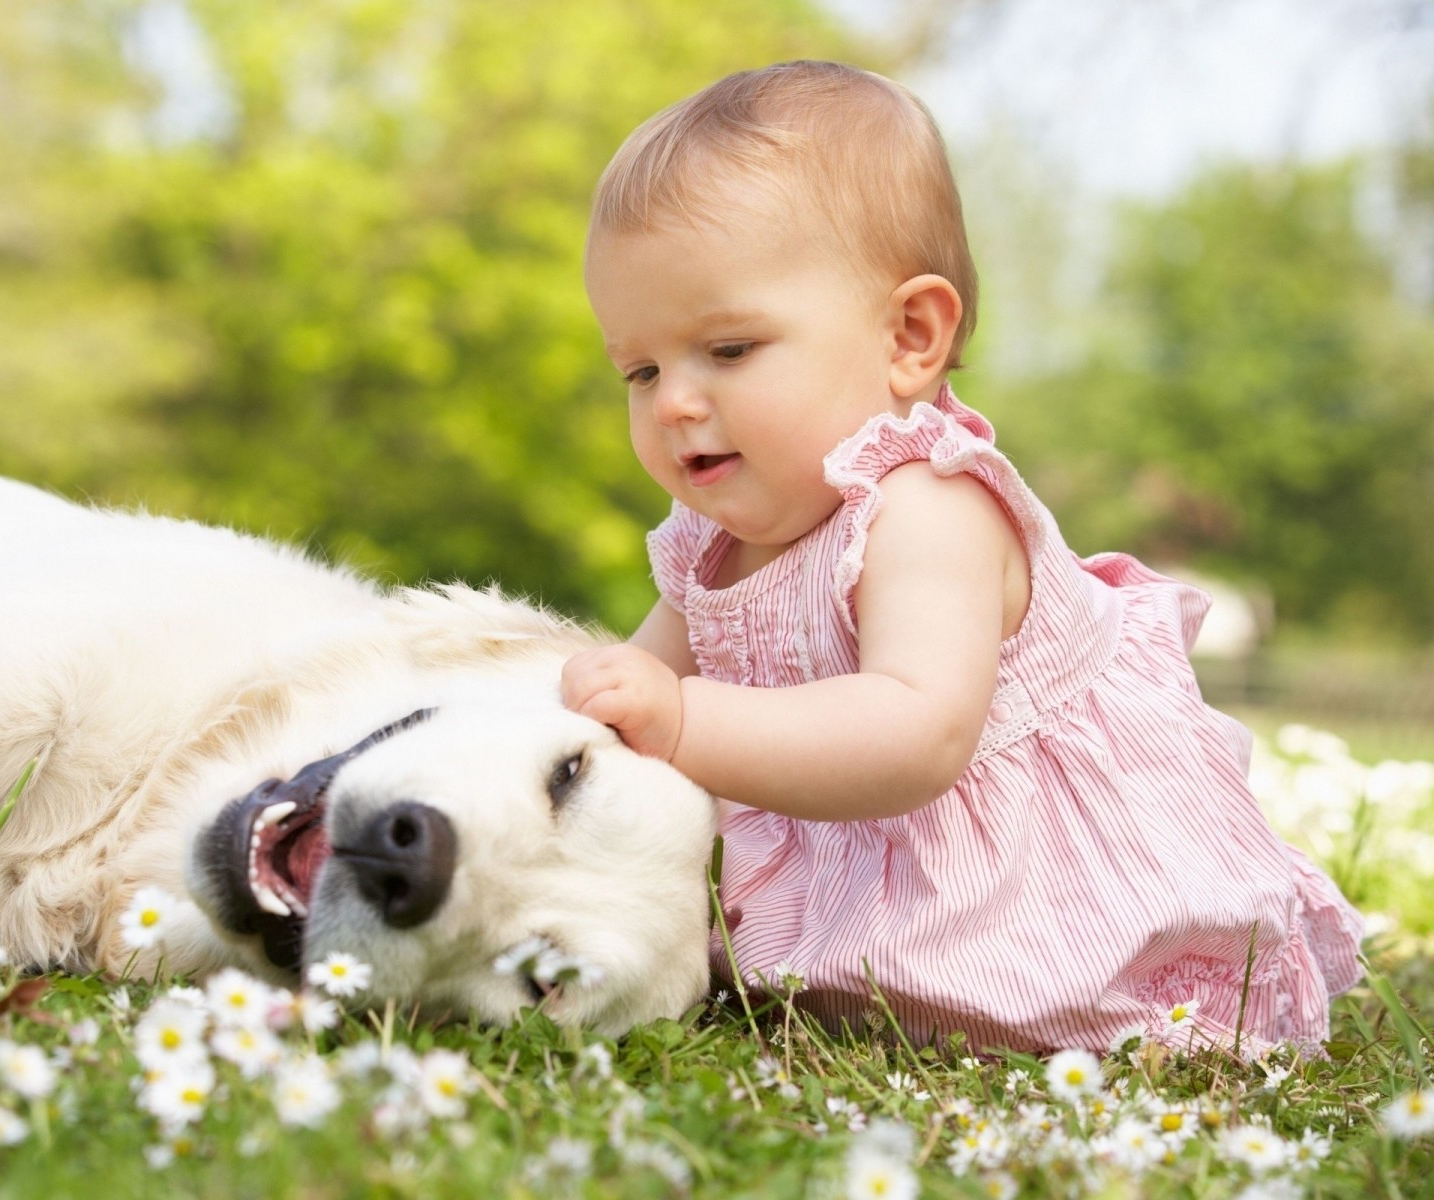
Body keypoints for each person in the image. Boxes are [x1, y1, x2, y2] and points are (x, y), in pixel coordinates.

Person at [559, 60, 1363, 1054]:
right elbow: (629, 696)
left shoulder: (929, 504)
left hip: (1039, 895)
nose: (675, 403)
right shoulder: (708, 546)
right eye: (641, 370)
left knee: (1088, 1006)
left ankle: (1107, 1002)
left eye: (728, 351)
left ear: (910, 336)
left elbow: (916, 733)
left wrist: (681, 719)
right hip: (867, 882)